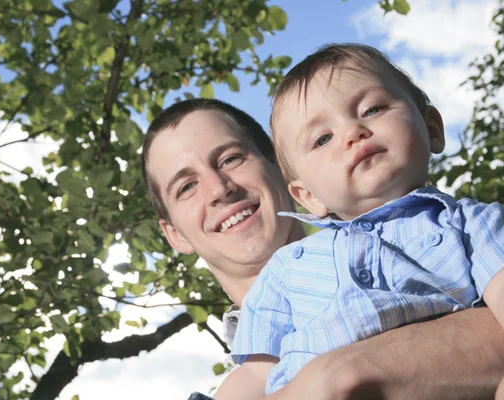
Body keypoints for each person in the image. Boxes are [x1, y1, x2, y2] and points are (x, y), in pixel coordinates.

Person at [141, 96, 504, 399]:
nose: (220, 189)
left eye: (231, 159)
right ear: (175, 235)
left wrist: (344, 375)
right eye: (186, 187)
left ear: (283, 170)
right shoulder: (250, 369)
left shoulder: (439, 235)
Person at [222, 43, 504, 396]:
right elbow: (254, 377)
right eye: (322, 138)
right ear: (309, 196)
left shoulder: (470, 223)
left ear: (431, 128)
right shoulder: (286, 269)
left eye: (372, 108)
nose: (352, 131)